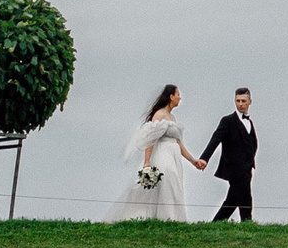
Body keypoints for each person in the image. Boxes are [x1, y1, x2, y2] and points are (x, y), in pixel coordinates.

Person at [104, 84, 202, 221]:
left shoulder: (172, 118)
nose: (180, 97)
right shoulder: (159, 114)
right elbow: (151, 139)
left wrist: (193, 160)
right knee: (168, 180)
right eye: (178, 94)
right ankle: (164, 217)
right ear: (171, 96)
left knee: (175, 183)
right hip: (163, 155)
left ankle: (173, 218)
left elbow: (179, 143)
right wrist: (147, 162)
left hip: (174, 157)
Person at [200, 86, 257, 221]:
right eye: (238, 101)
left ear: (250, 101)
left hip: (247, 168)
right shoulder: (228, 121)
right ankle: (247, 223)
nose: (240, 104)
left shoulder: (249, 122)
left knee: (232, 200)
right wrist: (204, 158)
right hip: (234, 168)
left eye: (243, 101)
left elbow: (252, 145)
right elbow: (215, 139)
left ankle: (216, 223)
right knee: (245, 197)